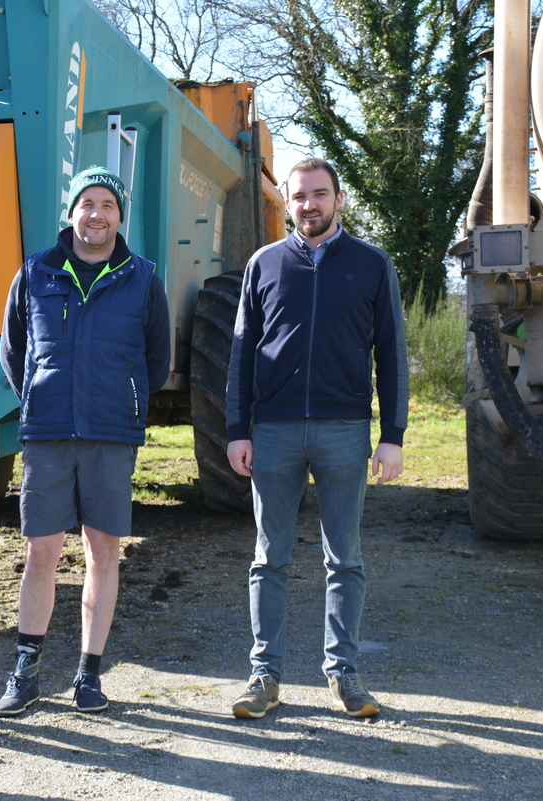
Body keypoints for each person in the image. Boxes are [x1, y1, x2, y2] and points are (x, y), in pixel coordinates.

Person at [225, 158, 408, 720]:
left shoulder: (373, 265)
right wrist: (237, 429)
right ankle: (264, 677)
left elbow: (392, 356)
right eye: (299, 196)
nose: (310, 205)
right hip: (274, 431)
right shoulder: (264, 264)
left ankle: (344, 675)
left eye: (320, 194)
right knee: (268, 558)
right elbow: (240, 355)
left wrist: (392, 435)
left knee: (344, 558)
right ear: (287, 201)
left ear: (339, 199)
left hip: (345, 430)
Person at [0, 166, 170, 716]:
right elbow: (12, 351)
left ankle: (89, 676)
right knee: (41, 551)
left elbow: (157, 360)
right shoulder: (35, 273)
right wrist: (43, 394)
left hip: (112, 435)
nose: (97, 214)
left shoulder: (143, 278)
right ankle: (24, 674)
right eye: (87, 204)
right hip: (46, 433)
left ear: (121, 217)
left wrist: (126, 395)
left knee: (102, 551)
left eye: (108, 205)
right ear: (71, 213)